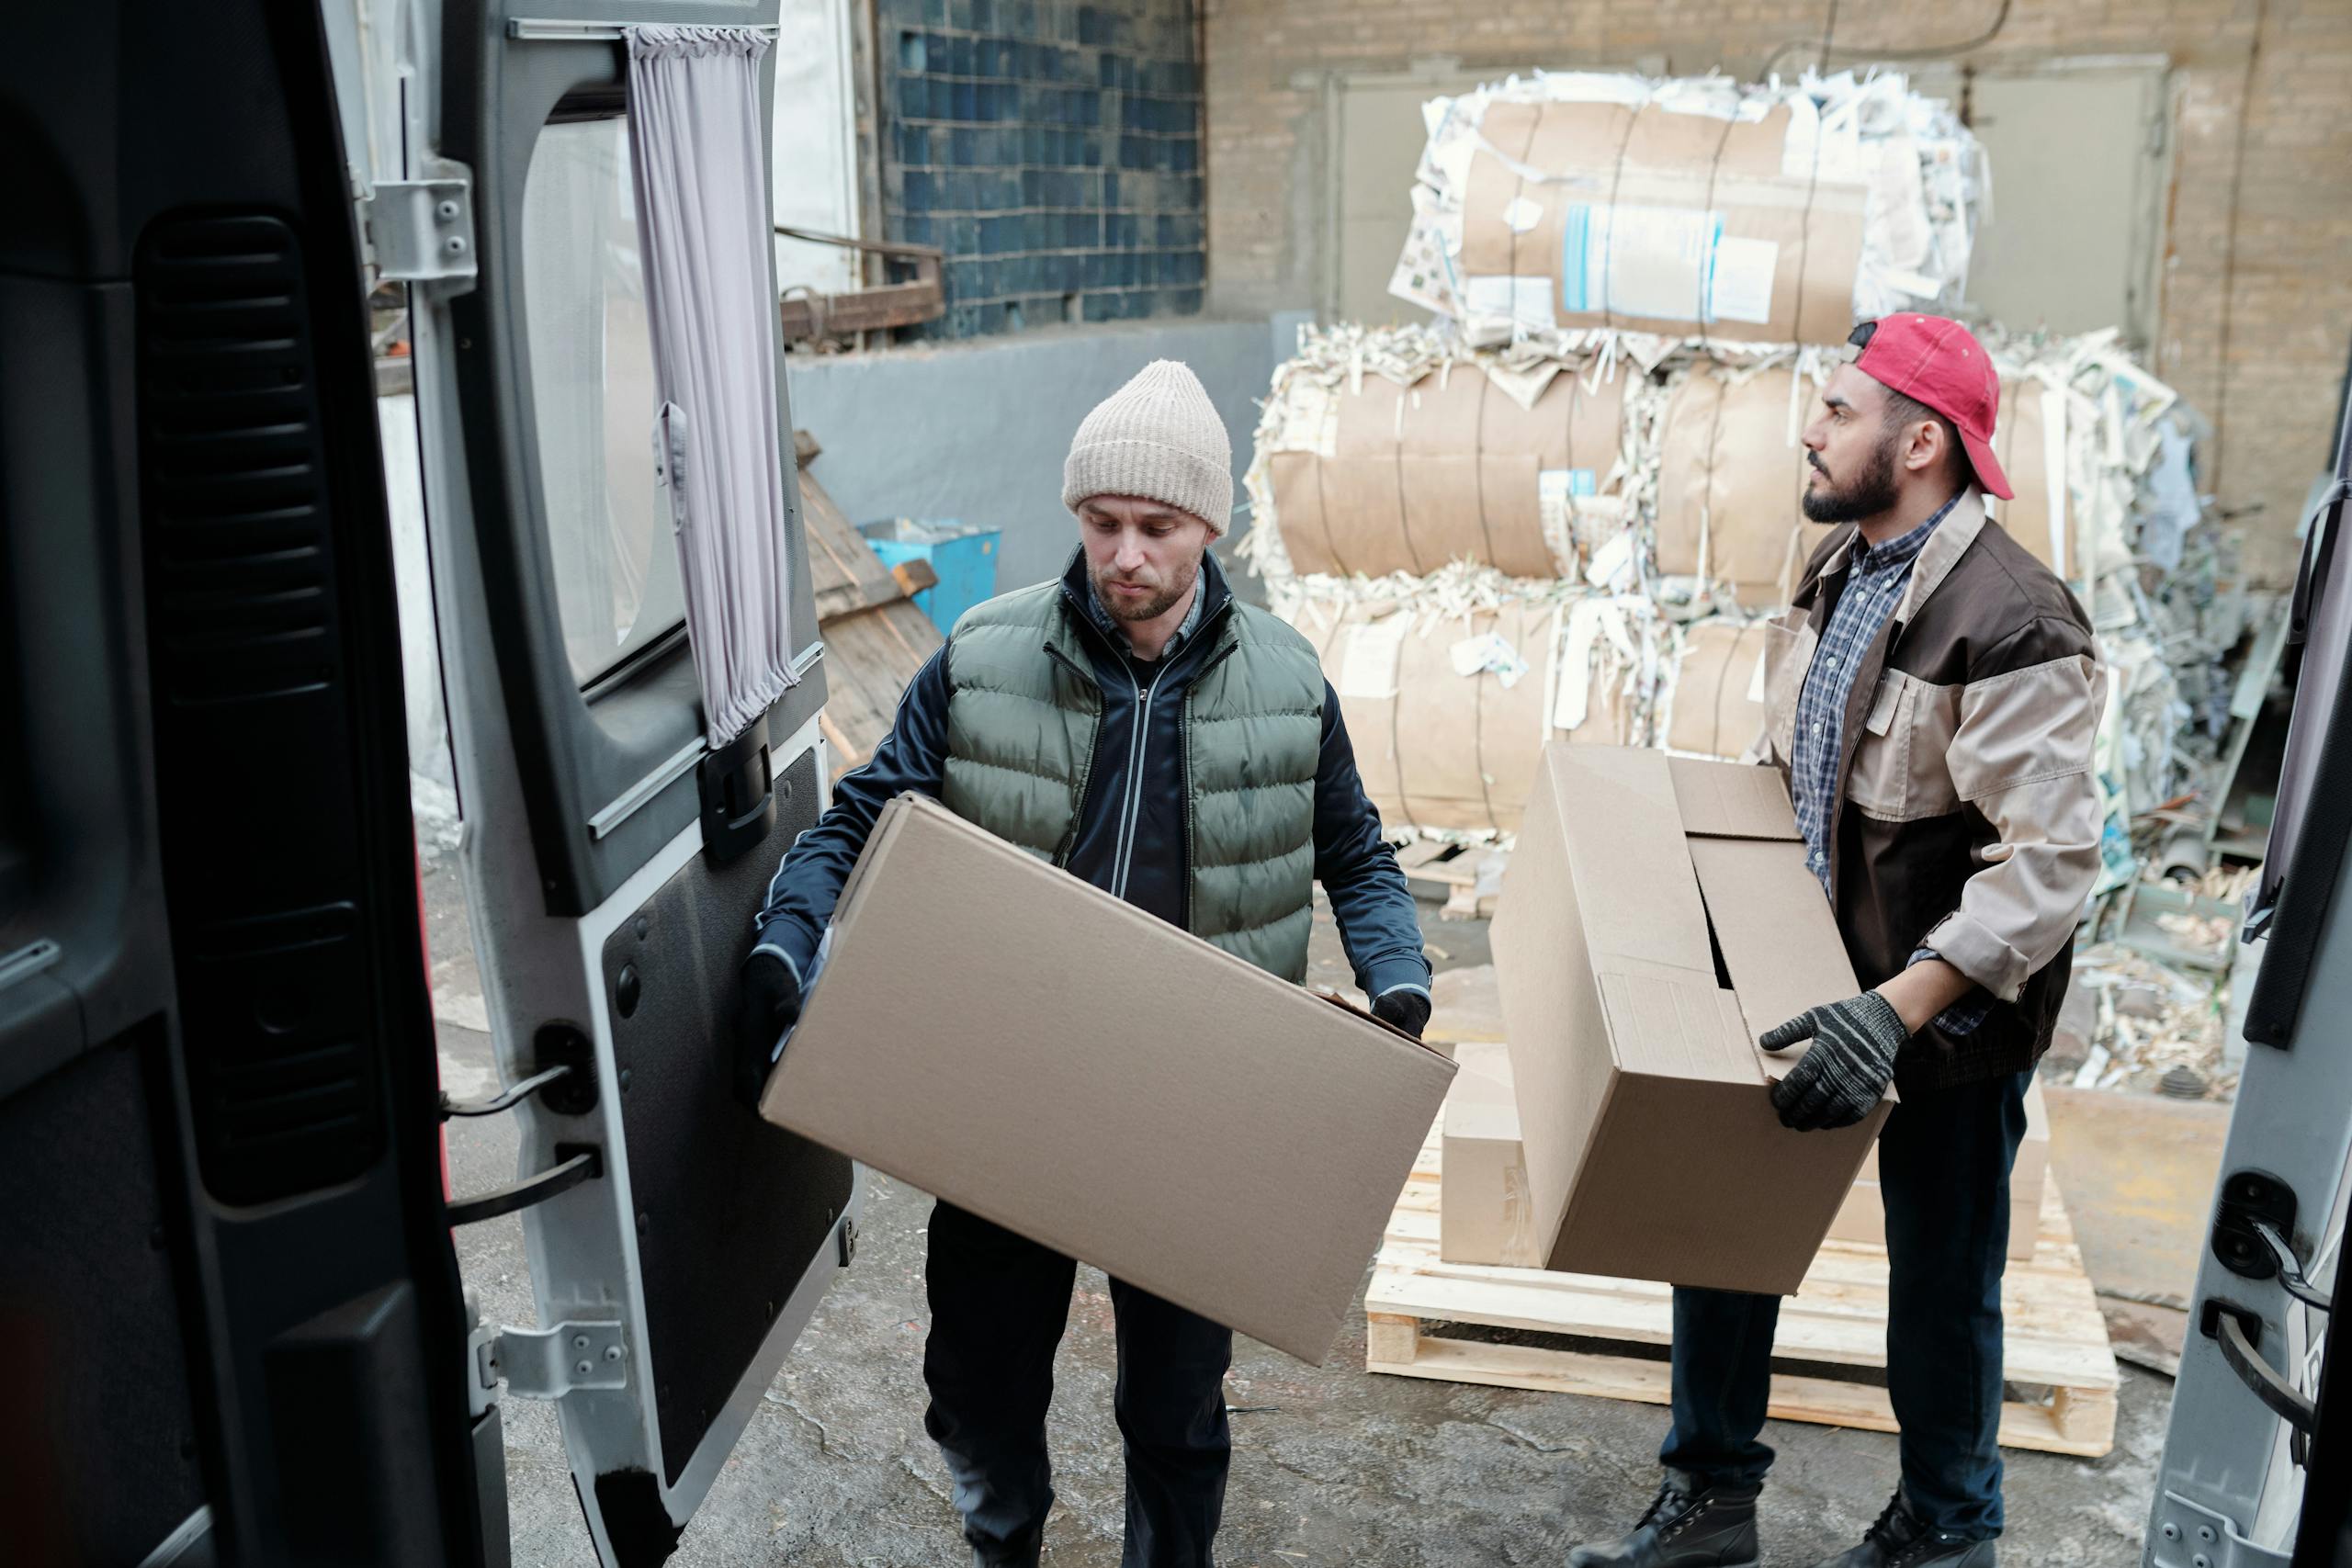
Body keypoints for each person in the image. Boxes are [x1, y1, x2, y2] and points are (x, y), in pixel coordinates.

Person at [735, 359, 1434, 1568]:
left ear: (1210, 526)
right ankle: (1002, 1542)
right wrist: (788, 944)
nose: (1125, 556)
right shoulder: (984, 656)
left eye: (1156, 528)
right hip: (1012, 1088)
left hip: (1198, 1104)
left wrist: (1398, 988)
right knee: (975, 1386)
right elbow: (854, 824)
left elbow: (1361, 863)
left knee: (1174, 1408)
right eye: (1102, 524)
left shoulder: (1288, 684)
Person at [1567, 315, 2103, 1568]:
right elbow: (1798, 777)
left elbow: (2054, 864)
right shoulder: (1845, 572)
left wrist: (1895, 1011)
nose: (1810, 429)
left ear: (1920, 442)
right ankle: (1711, 1501)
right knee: (1722, 1229)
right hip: (1810, 972)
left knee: (1939, 1281)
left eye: (1839, 412)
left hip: (1950, 1016)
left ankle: (1947, 1525)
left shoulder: (2012, 619)